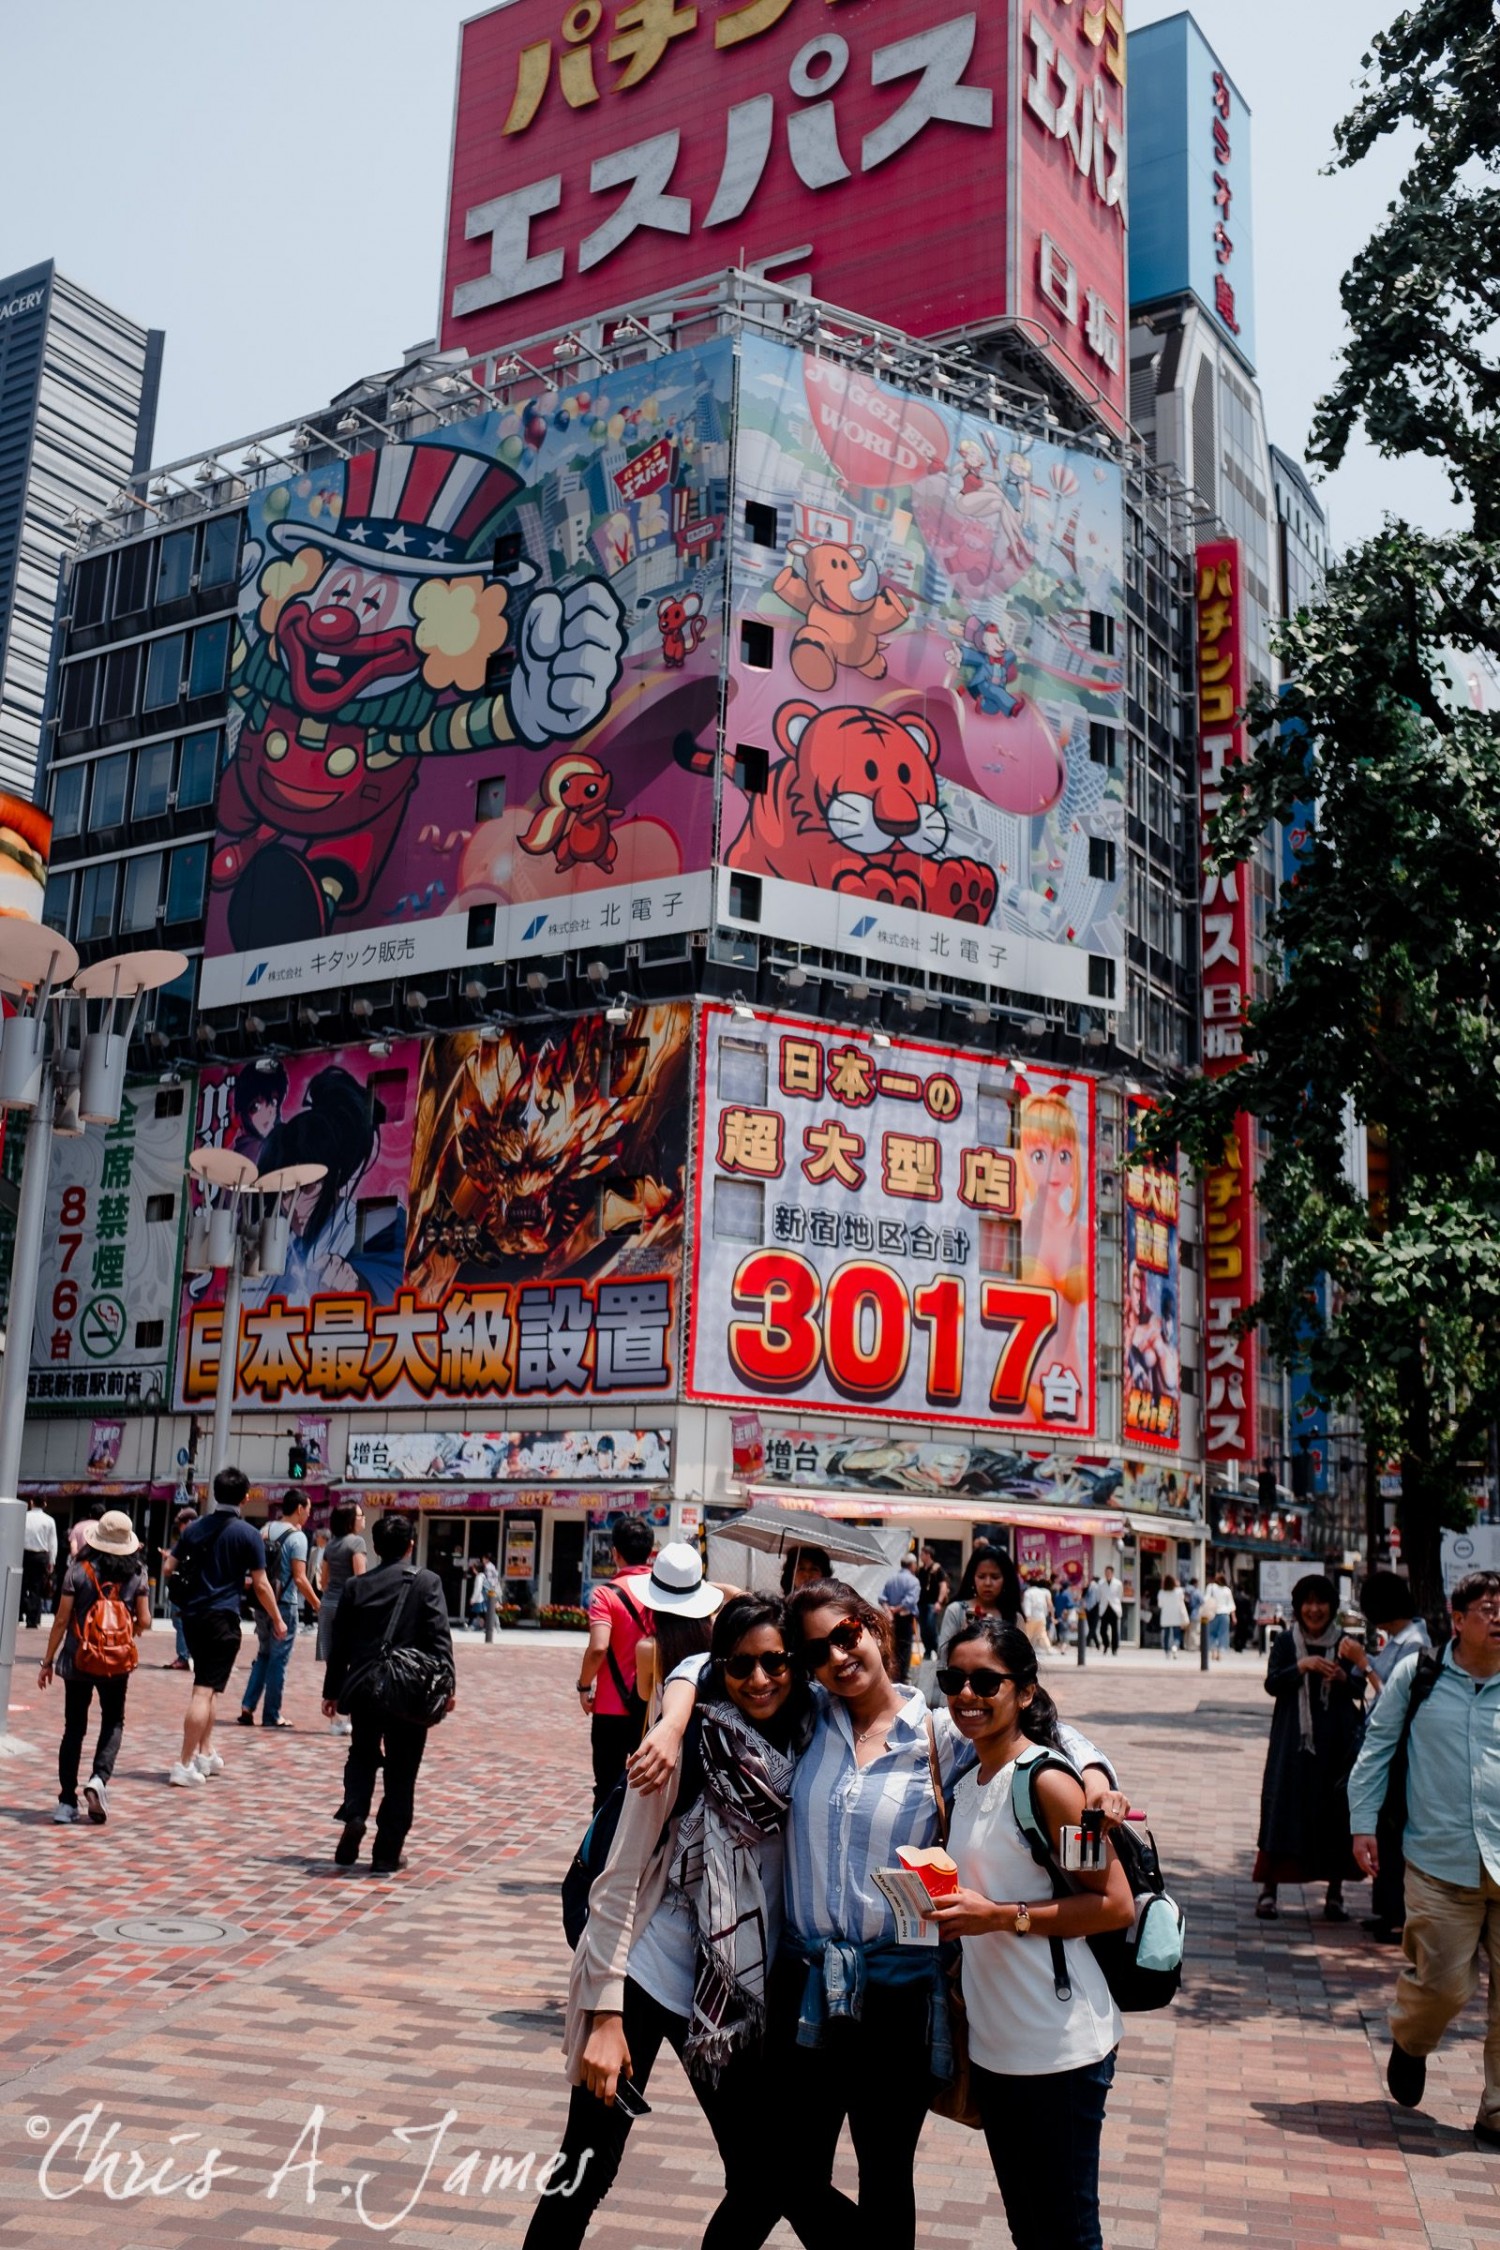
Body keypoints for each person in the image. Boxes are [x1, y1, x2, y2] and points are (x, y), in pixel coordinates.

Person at [525, 1590, 804, 2250]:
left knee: (760, 2177)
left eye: (775, 1662)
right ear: (719, 1670)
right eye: (740, 1666)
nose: (758, 1680)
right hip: (647, 1977)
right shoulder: (678, 1752)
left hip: (731, 1990)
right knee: (586, 2169)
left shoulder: (810, 1743)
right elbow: (617, 1887)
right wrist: (604, 2016)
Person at [927, 1618, 1133, 2249]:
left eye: (986, 1680)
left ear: (1024, 1691)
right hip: (995, 2045)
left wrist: (1000, 1916)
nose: (968, 1693)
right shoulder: (967, 1782)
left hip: (1062, 2043)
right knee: (1028, 2229)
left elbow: (1114, 1903)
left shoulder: (1050, 1784)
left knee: (1068, 2233)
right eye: (954, 1679)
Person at [1348, 1569, 1500, 2145]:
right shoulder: (1420, 1676)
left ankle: (1496, 2109)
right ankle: (1412, 2041)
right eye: (1488, 1608)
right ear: (1457, 1620)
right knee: (1443, 1985)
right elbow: (1376, 1751)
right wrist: (1363, 1825)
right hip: (1440, 1861)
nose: (1499, 1617)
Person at [322, 1511, 455, 1874]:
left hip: (365, 1687)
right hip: (410, 1691)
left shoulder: (355, 1587)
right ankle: (386, 1851)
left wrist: (332, 1691)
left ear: (376, 1547)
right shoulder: (427, 1582)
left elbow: (341, 1645)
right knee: (402, 1769)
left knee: (362, 1754)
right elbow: (439, 1639)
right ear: (411, 1546)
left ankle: (355, 1811)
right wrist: (448, 1687)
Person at [1253, 1573, 1368, 1921]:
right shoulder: (1287, 1642)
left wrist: (1345, 1678)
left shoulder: (1346, 1642)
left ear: (1332, 1607)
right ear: (1299, 1607)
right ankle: (1269, 1890)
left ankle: (1335, 1894)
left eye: (1321, 1603)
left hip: (1336, 1742)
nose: (1314, 1609)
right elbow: (1272, 1683)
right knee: (1281, 1807)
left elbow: (1361, 1689)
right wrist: (1300, 1667)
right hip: (1292, 1741)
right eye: (1308, 1602)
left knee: (1335, 1812)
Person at [169, 1467, 284, 1788]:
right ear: (246, 1497)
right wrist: (277, 1619)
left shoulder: (193, 1529)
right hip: (223, 1617)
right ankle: (183, 1762)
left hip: (192, 1617)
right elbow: (261, 1585)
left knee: (209, 1683)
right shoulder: (248, 1534)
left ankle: (205, 1752)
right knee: (203, 1690)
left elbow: (168, 1566)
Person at [36, 1511, 151, 1825]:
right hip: (117, 1663)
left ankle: (65, 1802)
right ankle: (99, 1779)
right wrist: (129, 1629)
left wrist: (47, 1662)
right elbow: (145, 1621)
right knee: (113, 1720)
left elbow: (61, 1620)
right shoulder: (137, 1573)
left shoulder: (78, 1571)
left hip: (77, 1658)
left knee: (74, 1728)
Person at [1355, 1571, 1434, 1941]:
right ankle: (1386, 1910)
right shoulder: (1399, 1639)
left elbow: (1393, 1696)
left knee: (1394, 1830)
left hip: (1400, 1749)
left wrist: (1363, 1663)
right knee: (1384, 1833)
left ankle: (1399, 1914)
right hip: (1387, 1745)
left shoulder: (1415, 1643)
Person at [578, 1518, 656, 1808]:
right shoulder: (665, 1594)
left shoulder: (605, 1594)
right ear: (650, 1552)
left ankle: (602, 1850)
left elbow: (598, 1647)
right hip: (652, 1706)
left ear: (615, 1553)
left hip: (610, 1708)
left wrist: (584, 1686)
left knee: (607, 1787)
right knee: (649, 1790)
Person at [239, 1491, 320, 1729]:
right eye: (308, 1508)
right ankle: (272, 1714)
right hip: (284, 1604)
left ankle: (247, 1705)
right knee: (278, 1660)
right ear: (298, 1508)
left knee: (264, 1654)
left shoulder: (265, 1529)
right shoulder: (298, 1538)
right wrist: (317, 1604)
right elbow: (300, 1578)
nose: (308, 1513)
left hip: (262, 1602)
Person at [318, 1500, 368, 1733]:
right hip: (348, 1606)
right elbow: (361, 1579)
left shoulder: (331, 1545)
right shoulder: (356, 1543)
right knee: (352, 1660)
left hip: (328, 1604)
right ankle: (345, 1715)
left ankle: (334, 1716)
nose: (363, 1518)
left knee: (334, 1661)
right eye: (360, 1515)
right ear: (351, 1520)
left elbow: (323, 1581)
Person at [937, 1543, 1023, 1667]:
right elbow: (943, 1658)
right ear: (973, 1578)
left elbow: (1023, 1662)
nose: (988, 1583)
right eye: (981, 1576)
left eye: (995, 1577)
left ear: (1005, 1580)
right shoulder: (956, 1611)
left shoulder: (1015, 1618)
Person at [163, 1504, 196, 1670]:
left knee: (181, 1622)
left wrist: (169, 1557)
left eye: (182, 1523)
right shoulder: (199, 1539)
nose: (180, 1527)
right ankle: (187, 1654)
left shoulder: (187, 1540)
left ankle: (183, 1656)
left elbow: (168, 1568)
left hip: (182, 1589)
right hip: (192, 1589)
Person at [881, 1551, 922, 1680]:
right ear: (912, 1565)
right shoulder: (913, 1581)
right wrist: (896, 1609)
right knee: (905, 1646)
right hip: (905, 1618)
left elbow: (882, 1597)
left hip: (893, 1619)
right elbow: (910, 1601)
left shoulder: (891, 1579)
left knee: (894, 1646)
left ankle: (895, 1673)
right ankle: (902, 1675)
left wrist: (889, 1610)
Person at [21, 1500, 58, 1631]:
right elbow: (52, 1543)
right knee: (36, 1589)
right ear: (45, 1504)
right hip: (40, 1556)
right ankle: (32, 1620)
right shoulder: (49, 1520)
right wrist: (51, 1561)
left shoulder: (24, 1516)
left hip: (23, 1554)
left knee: (21, 1586)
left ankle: (19, 1614)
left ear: (31, 1503)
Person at [916, 1545, 948, 1659]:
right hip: (921, 1604)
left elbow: (943, 1586)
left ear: (928, 1555)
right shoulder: (921, 1570)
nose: (920, 1556)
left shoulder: (937, 1569)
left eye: (922, 1554)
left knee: (931, 1627)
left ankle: (938, 1650)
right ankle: (928, 1651)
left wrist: (939, 1602)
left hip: (932, 1604)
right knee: (924, 1629)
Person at [1200, 1573, 1235, 1662]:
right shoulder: (1227, 1590)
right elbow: (1231, 1605)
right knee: (1223, 1634)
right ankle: (1220, 1652)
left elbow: (1205, 1599)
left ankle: (1213, 1651)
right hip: (1224, 1614)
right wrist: (1234, 1617)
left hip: (1213, 1614)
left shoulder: (1210, 1587)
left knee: (1211, 1634)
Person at [1156, 1575, 1187, 1658]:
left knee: (1166, 1634)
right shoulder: (1179, 1591)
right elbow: (1182, 1600)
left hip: (1166, 1616)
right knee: (1177, 1634)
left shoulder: (1161, 1592)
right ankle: (1175, 1647)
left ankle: (1167, 1652)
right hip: (1176, 1615)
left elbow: (1160, 1605)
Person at [1097, 1565, 1123, 1656]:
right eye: (1106, 1572)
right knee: (1102, 1630)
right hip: (1104, 1607)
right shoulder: (1101, 1583)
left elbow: (1120, 1595)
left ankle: (1114, 1648)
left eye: (1109, 1572)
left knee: (1114, 1630)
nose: (1107, 1574)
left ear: (1112, 1573)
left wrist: (1115, 1602)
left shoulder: (1118, 1583)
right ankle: (1106, 1644)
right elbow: (1099, 1596)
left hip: (1113, 1608)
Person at [1083, 1574, 1101, 1649]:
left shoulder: (1088, 1587)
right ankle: (1086, 1641)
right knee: (1093, 1627)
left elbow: (1083, 1596)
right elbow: (1099, 1599)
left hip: (1087, 1609)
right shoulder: (1098, 1588)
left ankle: (1097, 1643)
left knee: (1091, 1627)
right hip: (1095, 1609)